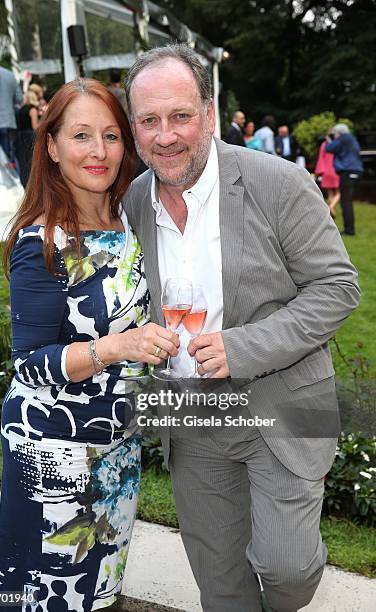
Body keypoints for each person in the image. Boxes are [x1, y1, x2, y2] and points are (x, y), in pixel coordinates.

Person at [122, 44, 360, 612]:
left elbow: (338, 288)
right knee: (221, 586)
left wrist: (242, 346)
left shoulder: (279, 183)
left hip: (282, 408)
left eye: (180, 116)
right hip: (194, 417)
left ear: (209, 112)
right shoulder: (134, 200)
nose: (166, 135)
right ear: (133, 128)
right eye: (148, 121)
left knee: (288, 571)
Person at [0, 78, 178, 611]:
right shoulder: (42, 242)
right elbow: (29, 365)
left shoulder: (127, 221)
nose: (99, 152)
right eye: (80, 136)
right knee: (49, 596)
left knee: (100, 593)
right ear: (50, 146)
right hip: (53, 450)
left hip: (115, 447)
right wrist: (119, 346)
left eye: (110, 136)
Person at [325, 123, 363, 236]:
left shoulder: (343, 139)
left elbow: (329, 148)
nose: (335, 136)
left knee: (345, 202)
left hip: (347, 171)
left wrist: (328, 139)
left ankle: (349, 230)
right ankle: (349, 228)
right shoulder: (352, 139)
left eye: (335, 134)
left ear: (339, 133)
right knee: (347, 200)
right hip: (356, 171)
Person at [15, 89, 40, 187]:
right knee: (31, 161)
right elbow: (35, 126)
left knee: (23, 162)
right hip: (30, 137)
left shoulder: (21, 110)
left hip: (20, 137)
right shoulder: (32, 109)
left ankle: (24, 184)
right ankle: (33, 184)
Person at [315, 136, 340, 218]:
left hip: (326, 171)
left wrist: (319, 171)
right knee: (338, 193)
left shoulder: (324, 144)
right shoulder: (338, 144)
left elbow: (321, 158)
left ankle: (330, 213)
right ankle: (331, 206)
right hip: (336, 170)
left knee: (330, 193)